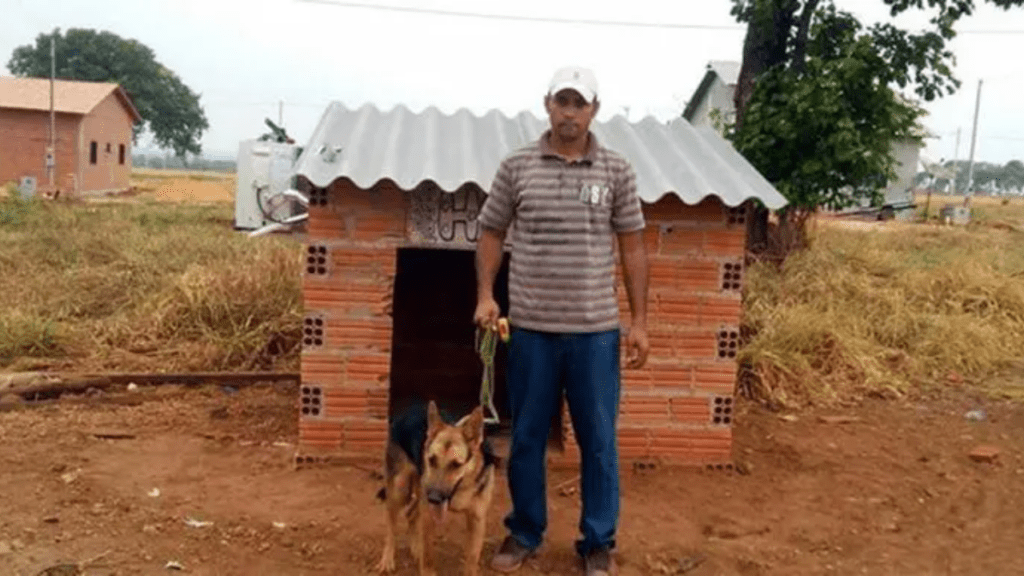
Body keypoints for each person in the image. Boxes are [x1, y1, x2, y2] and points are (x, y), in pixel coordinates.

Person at [473, 65, 650, 576]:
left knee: (598, 440)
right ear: (546, 103)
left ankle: (597, 541)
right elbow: (490, 232)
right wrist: (486, 295)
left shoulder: (617, 170)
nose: (569, 112)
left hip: (595, 334)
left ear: (595, 109)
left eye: (580, 103)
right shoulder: (517, 167)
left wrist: (639, 323)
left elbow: (633, 247)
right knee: (526, 436)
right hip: (531, 330)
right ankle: (525, 531)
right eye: (562, 101)